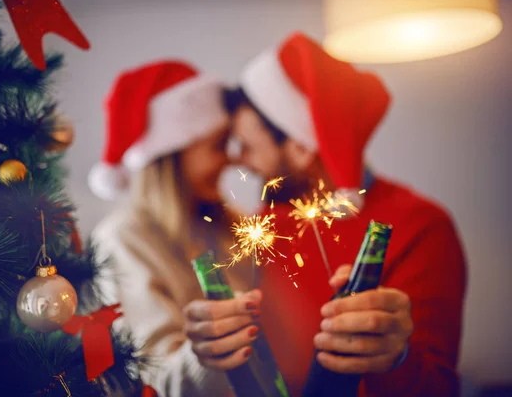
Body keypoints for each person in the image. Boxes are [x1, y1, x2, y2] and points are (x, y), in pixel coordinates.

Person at [183, 33, 467, 396]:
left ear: (300, 148)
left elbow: (438, 388)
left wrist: (395, 357)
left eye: (248, 146)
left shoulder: (422, 227)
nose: (240, 161)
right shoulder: (268, 224)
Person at [88, 60, 260, 397]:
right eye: (218, 145)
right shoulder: (123, 241)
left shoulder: (233, 225)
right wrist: (207, 353)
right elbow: (153, 379)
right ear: (174, 153)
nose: (231, 159)